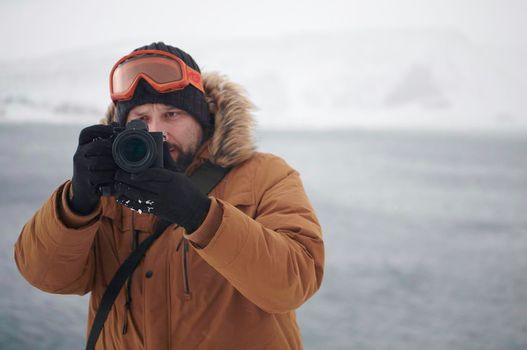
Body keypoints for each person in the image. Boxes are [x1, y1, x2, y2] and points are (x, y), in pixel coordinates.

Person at [14, 41, 324, 349]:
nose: (157, 131)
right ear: (124, 127)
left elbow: (294, 283)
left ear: (202, 118)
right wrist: (75, 205)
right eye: (142, 119)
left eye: (172, 114)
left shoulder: (266, 174)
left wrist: (200, 215)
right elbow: (45, 276)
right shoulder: (108, 191)